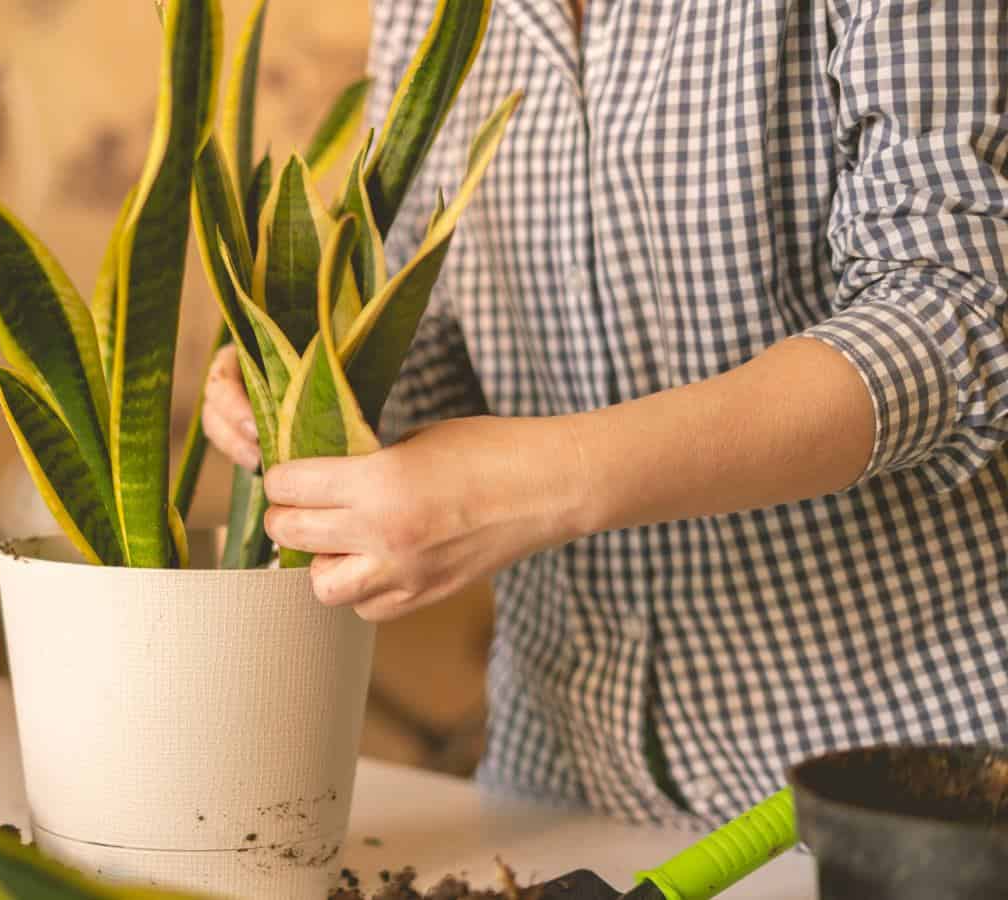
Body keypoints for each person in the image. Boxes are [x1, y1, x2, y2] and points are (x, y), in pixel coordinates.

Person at [201, 0, 1008, 827]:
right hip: (557, 770)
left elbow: (951, 315)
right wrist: (304, 386)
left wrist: (527, 485)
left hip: (897, 776)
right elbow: (432, 327)